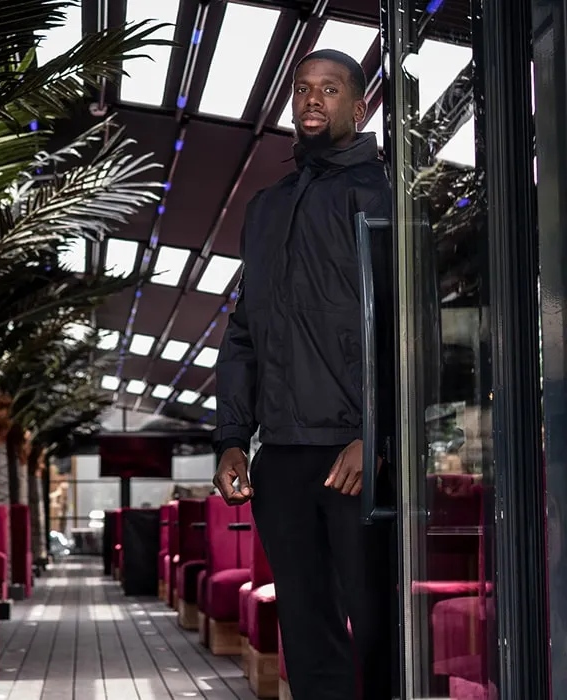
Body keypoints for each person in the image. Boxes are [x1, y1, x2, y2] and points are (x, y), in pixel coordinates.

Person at [211, 49, 395, 699]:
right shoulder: (265, 208)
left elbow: (405, 327)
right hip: (282, 459)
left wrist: (377, 434)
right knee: (308, 636)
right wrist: (232, 439)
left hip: (356, 458)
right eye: (302, 88)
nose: (313, 99)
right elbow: (243, 333)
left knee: (379, 634)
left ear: (359, 108)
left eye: (330, 89)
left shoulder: (384, 195)